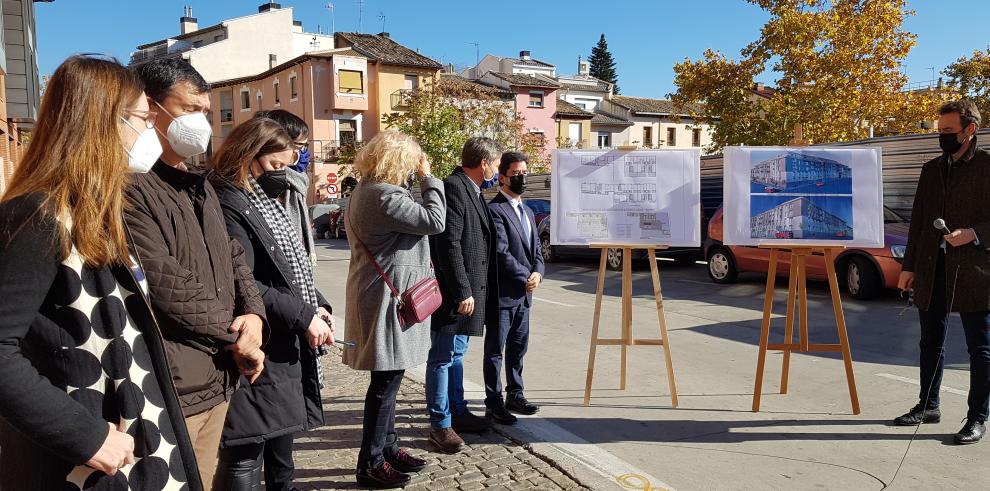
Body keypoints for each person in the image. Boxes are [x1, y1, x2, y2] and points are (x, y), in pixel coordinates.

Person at [0, 55, 202, 489]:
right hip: (84, 461)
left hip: (134, 446)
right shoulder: (38, 215)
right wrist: (84, 435)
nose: (150, 132)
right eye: (144, 119)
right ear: (104, 121)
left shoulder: (92, 212)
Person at [124, 58, 268, 485]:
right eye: (190, 109)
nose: (202, 121)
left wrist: (255, 316)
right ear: (152, 109)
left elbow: (232, 254)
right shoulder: (131, 185)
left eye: (206, 111)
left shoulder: (199, 181)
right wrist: (235, 334)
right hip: (174, 382)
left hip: (217, 375)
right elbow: (165, 284)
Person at [211, 117, 336, 489]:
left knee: (281, 439)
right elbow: (244, 280)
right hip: (255, 341)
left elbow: (287, 262)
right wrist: (303, 314)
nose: (280, 174)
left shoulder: (260, 198)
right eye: (275, 166)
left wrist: (318, 303)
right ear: (248, 154)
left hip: (282, 337)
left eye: (285, 166)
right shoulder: (227, 199)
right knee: (245, 453)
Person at [343, 130, 444, 488]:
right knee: (385, 383)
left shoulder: (369, 192)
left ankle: (388, 448)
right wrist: (429, 178)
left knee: (390, 378)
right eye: (412, 163)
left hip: (385, 296)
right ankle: (370, 462)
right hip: (387, 300)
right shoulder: (383, 196)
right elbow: (435, 220)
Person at [896, 99, 990, 445]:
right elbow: (919, 222)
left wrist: (974, 233)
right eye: (940, 132)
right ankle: (928, 405)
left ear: (970, 130)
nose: (943, 138)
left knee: (980, 348)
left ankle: (978, 417)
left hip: (975, 270)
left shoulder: (986, 167)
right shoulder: (931, 169)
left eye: (949, 132)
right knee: (930, 341)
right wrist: (908, 267)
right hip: (931, 267)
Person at [427, 137, 502, 453]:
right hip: (457, 295)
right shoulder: (455, 187)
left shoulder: (473, 191)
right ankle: (441, 425)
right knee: (442, 358)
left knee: (455, 355)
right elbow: (449, 244)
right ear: (484, 162)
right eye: (496, 164)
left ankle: (457, 411)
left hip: (470, 294)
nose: (496, 170)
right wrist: (463, 290)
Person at [484, 151, 545, 424]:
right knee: (495, 351)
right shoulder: (495, 210)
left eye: (524, 173)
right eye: (516, 174)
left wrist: (538, 274)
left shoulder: (529, 211)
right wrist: (525, 276)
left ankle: (515, 394)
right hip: (503, 295)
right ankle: (493, 402)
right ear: (503, 177)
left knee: (519, 348)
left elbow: (537, 252)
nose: (522, 178)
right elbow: (501, 252)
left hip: (525, 295)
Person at [254, 110, 317, 264]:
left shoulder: (298, 182)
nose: (303, 152)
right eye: (299, 146)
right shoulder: (267, 179)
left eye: (305, 146)